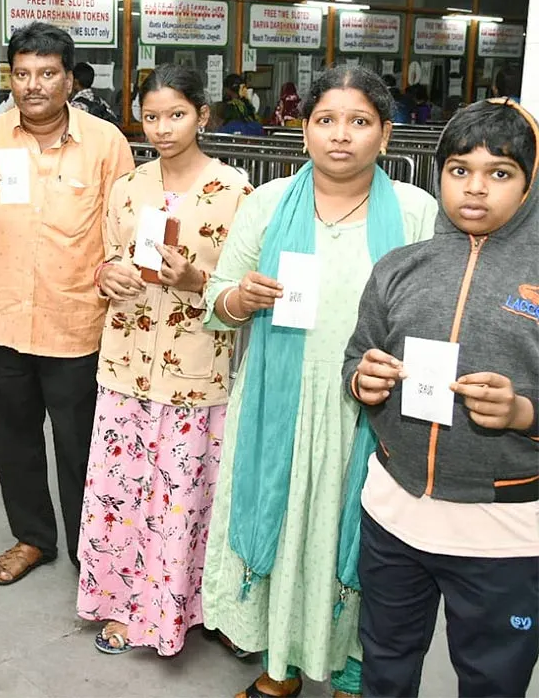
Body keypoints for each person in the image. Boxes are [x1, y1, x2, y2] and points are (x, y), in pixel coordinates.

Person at [200, 65, 438, 698]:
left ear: (385, 135)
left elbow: (439, 319)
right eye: (325, 120)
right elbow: (215, 300)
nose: (341, 136)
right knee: (285, 525)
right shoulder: (268, 203)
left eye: (359, 122)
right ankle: (278, 667)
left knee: (362, 543)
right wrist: (239, 298)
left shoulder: (416, 212)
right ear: (302, 130)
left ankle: (354, 669)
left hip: (366, 417)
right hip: (279, 407)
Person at [344, 99, 538, 698]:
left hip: (503, 531)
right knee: (385, 665)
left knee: (491, 680)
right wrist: (363, 381)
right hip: (394, 518)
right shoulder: (400, 266)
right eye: (459, 170)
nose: (475, 189)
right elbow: (357, 355)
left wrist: (522, 413)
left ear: (530, 184)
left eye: (499, 173)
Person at [0, 22, 134, 585]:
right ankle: (33, 538)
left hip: (76, 323)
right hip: (3, 321)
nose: (33, 85)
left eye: (47, 74)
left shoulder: (107, 143)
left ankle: (90, 553)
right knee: (13, 443)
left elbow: (122, 232)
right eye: (22, 74)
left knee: (81, 447)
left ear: (69, 80)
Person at [78, 64, 250, 657]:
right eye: (151, 116)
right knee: (124, 494)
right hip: (126, 362)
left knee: (182, 499)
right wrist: (109, 276)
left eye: (176, 114)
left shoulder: (234, 190)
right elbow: (102, 262)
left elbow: (242, 287)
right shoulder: (128, 187)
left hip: (195, 372)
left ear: (201, 115)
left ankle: (191, 609)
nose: (162, 127)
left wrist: (196, 277)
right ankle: (125, 604)